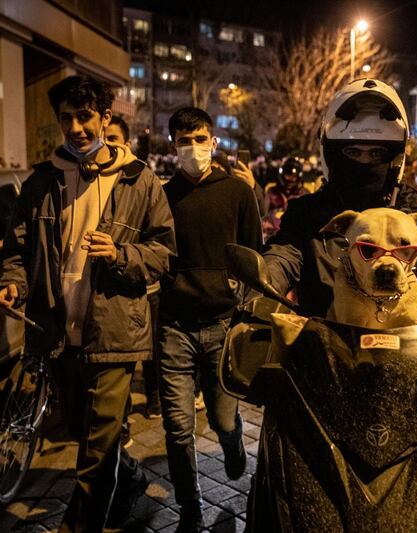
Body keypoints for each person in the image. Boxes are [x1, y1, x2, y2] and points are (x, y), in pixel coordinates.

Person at [0, 75, 176, 532]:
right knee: (84, 434)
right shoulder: (41, 182)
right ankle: (130, 477)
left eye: (85, 116)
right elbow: (17, 249)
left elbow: (164, 252)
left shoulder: (140, 180)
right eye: (66, 118)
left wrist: (120, 255)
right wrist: (12, 281)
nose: (75, 127)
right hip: (57, 333)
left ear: (105, 117)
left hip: (114, 332)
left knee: (94, 457)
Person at [262, 77, 417, 326]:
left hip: (414, 355)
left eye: (376, 153)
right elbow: (282, 258)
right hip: (323, 351)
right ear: (332, 155)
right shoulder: (307, 214)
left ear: (395, 159)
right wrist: (257, 289)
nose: (364, 163)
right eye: (353, 152)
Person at [159, 107, 262, 533]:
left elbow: (255, 254)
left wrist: (247, 309)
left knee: (222, 420)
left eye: (200, 139)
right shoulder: (162, 195)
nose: (194, 148)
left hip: (222, 324)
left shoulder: (237, 192)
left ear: (214, 141)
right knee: (178, 428)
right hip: (175, 328)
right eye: (185, 141)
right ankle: (190, 508)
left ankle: (233, 443)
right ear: (173, 146)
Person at [105, 115, 163, 435]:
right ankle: (121, 420)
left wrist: (122, 256)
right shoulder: (86, 182)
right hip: (104, 299)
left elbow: (160, 246)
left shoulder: (144, 182)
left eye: (113, 138)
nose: (106, 145)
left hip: (143, 286)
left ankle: (153, 396)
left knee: (148, 348)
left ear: (126, 144)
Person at [262, 156, 309, 240]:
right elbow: (263, 213)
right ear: (282, 175)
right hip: (273, 235)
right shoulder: (271, 191)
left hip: (296, 236)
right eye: (288, 175)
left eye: (293, 176)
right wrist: (265, 222)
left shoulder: (305, 194)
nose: (290, 180)